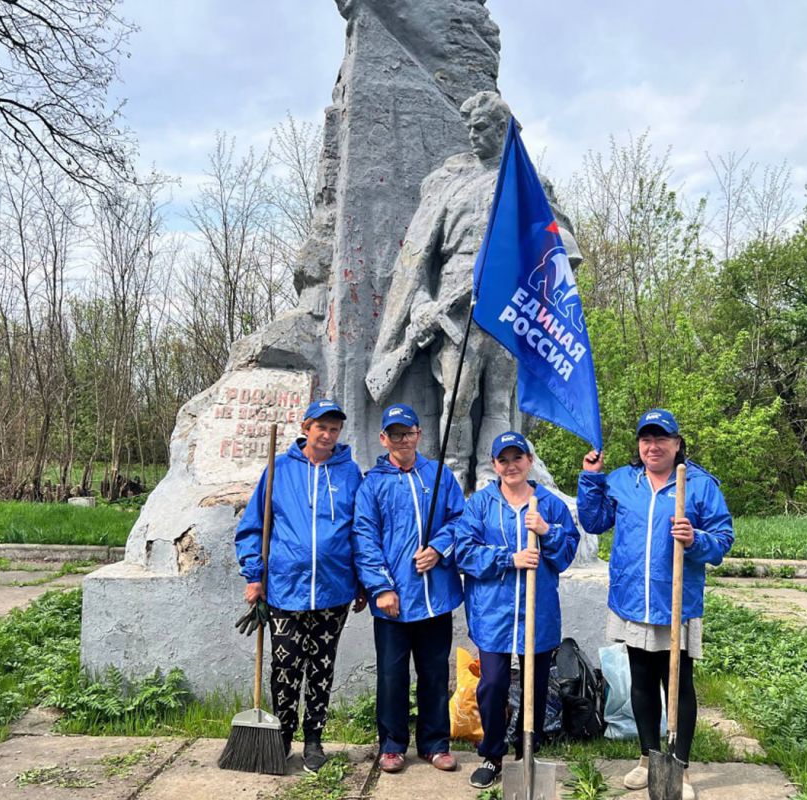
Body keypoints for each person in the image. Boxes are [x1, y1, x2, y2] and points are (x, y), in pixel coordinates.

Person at [366, 90, 580, 491]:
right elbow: (417, 259)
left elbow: (560, 238)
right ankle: (452, 473)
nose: (472, 136)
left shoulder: (527, 182)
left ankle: (488, 474)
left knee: (499, 398)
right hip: (454, 302)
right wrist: (421, 304)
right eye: (469, 128)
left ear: (502, 128)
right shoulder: (447, 183)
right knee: (458, 395)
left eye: (480, 128)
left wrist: (551, 251)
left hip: (507, 300)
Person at [577, 408, 733, 799]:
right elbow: (594, 522)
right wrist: (591, 478)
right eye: (646, 439)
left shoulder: (698, 485)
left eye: (661, 438)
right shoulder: (623, 481)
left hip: (676, 602)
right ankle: (648, 758)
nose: (653, 446)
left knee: (679, 685)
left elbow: (722, 539)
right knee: (642, 682)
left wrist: (695, 539)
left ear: (677, 444)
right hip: (633, 600)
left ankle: (679, 766)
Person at [233, 399, 367, 773]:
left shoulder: (350, 473)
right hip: (284, 588)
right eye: (321, 427)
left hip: (334, 590)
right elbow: (252, 528)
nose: (327, 434)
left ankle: (314, 738)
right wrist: (254, 576)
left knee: (321, 668)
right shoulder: (279, 470)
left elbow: (360, 531)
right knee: (286, 665)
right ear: (306, 427)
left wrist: (362, 582)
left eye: (334, 429)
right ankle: (281, 736)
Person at [454, 431, 580, 789]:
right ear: (495, 465)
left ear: (529, 461)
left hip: (538, 611)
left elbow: (566, 555)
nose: (511, 466)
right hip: (492, 611)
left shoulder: (549, 504)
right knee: (493, 684)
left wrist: (546, 531)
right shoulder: (480, 504)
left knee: (534, 685)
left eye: (517, 458)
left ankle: (527, 752)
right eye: (503, 459)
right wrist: (510, 559)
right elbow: (464, 552)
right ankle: (492, 754)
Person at [352, 403, 466, 775]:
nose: (403, 439)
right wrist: (381, 588)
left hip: (435, 597)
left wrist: (438, 549)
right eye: (395, 434)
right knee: (392, 676)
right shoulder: (372, 484)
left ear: (419, 434)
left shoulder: (439, 475)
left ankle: (435, 743)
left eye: (409, 432)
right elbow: (364, 539)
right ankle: (392, 745)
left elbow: (459, 519)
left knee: (434, 674)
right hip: (393, 601)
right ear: (383, 438)